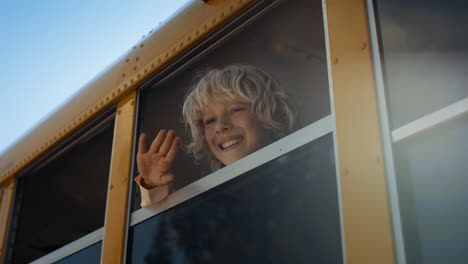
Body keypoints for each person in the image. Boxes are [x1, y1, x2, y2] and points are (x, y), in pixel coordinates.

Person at [135, 65, 297, 207]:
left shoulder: (298, 170)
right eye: (210, 120)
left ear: (267, 113)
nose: (220, 126)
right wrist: (153, 185)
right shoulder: (211, 199)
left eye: (235, 110)